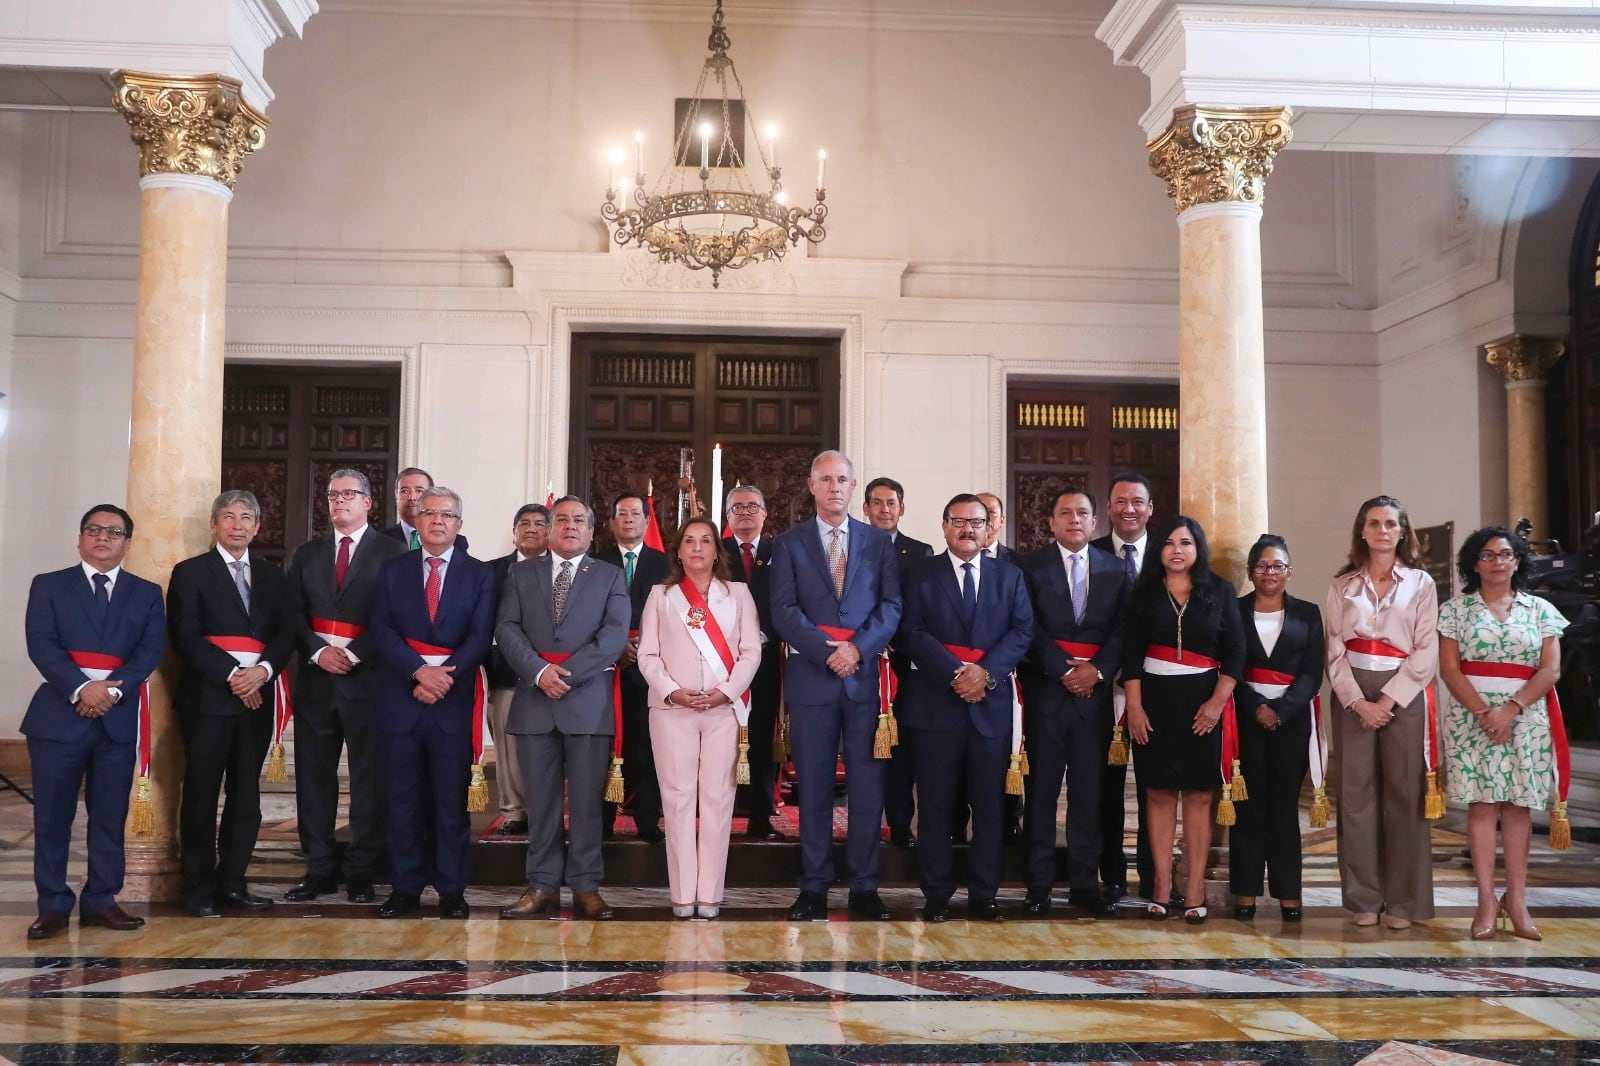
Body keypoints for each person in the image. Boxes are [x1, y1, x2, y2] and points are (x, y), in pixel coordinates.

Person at [770, 450, 903, 921]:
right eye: (825, 479)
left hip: (865, 681)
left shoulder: (879, 543)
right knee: (815, 791)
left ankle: (865, 888)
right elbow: (784, 611)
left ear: (852, 487)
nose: (834, 487)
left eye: (842, 480)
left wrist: (858, 650)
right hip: (813, 680)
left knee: (868, 790)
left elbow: (891, 607)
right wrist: (828, 651)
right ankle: (814, 887)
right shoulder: (788, 544)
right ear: (811, 486)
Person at [22, 505, 165, 940]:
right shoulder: (49, 586)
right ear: (80, 538)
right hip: (58, 719)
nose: (103, 538)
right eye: (94, 530)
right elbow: (41, 645)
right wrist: (82, 688)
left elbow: (149, 650)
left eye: (114, 532)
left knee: (108, 816)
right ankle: (52, 906)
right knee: (52, 817)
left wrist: (112, 691)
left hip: (116, 722)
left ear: (127, 543)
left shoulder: (146, 592)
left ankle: (101, 900)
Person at [900, 494, 1033, 922]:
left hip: (988, 707)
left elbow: (1021, 631)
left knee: (989, 807)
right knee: (936, 805)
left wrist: (985, 674)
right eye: (958, 521)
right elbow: (911, 631)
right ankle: (937, 893)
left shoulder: (1009, 576)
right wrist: (957, 674)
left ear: (989, 527)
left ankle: (984, 894)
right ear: (944, 527)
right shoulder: (920, 574)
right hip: (936, 704)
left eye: (976, 522)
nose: (968, 529)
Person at [496, 496, 630, 920]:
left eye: (579, 521)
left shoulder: (609, 576)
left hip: (587, 702)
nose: (570, 526)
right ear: (549, 530)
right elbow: (507, 627)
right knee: (542, 803)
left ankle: (587, 887)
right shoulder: (521, 573)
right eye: (562, 520)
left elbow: (613, 637)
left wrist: (564, 675)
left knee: (588, 804)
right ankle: (541, 886)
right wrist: (539, 673)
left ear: (592, 532)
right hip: (535, 701)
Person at [368, 487, 496, 919]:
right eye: (429, 513)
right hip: (401, 699)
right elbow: (381, 629)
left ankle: (451, 888)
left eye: (447, 515)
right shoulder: (392, 570)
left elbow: (479, 637)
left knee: (448, 800)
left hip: (452, 703)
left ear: (459, 525)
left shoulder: (479, 575)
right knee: (402, 799)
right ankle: (404, 887)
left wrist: (442, 679)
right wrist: (417, 672)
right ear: (416, 521)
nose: (437, 521)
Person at [167, 490, 295, 917]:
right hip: (208, 698)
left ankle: (234, 882)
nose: (238, 524)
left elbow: (285, 632)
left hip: (257, 699)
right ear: (214, 524)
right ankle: (199, 887)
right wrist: (233, 676)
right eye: (228, 516)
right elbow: (185, 635)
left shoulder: (273, 576)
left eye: (246, 517)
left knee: (246, 795)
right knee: (202, 793)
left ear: (258, 527)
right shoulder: (190, 572)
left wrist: (263, 671)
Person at [282, 469, 407, 904]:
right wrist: (318, 651)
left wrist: (353, 652)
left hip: (368, 681)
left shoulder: (393, 552)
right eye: (333, 495)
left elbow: (395, 617)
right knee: (313, 779)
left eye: (349, 494)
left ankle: (361, 870)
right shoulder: (307, 553)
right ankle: (318, 868)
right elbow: (292, 613)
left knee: (368, 781)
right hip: (317, 681)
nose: (340, 501)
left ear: (369, 502)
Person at [1436, 526, 1566, 941]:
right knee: (1481, 808)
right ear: (1474, 563)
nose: (1497, 562)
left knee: (1517, 808)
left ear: (1518, 560)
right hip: (1471, 716)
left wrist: (1510, 709)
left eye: (1505, 554)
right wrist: (1483, 712)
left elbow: (1551, 669)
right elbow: (1449, 669)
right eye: (1487, 555)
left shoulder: (1541, 610)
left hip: (1526, 716)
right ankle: (1487, 901)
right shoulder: (1455, 610)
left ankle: (1519, 900)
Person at [1121, 514, 1244, 924]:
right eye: (1170, 542)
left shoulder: (1220, 592)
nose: (1177, 550)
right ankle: (1159, 884)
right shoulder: (1143, 594)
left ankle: (1193, 887)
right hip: (1153, 702)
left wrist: (1215, 703)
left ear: (1198, 549)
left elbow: (1236, 653)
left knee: (1197, 796)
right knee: (1157, 793)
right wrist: (1134, 707)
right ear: (1159, 550)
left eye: (1186, 542)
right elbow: (1131, 654)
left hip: (1203, 704)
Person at [638, 516, 762, 918]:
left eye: (705, 541)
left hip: (723, 709)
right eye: (688, 541)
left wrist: (725, 691)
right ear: (677, 550)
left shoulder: (738, 594)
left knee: (717, 799)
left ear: (716, 550)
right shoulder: (661, 595)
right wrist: (673, 690)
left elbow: (750, 652)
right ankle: (681, 894)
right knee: (676, 801)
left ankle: (709, 894)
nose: (696, 548)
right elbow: (648, 655)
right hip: (673, 709)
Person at [1324, 494, 1439, 930]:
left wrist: (1387, 701)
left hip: (1401, 694)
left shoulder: (1421, 584)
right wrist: (1357, 701)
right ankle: (1364, 899)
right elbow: (1334, 648)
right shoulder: (1343, 584)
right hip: (1354, 691)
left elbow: (1426, 649)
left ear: (1402, 531)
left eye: (1390, 523)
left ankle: (1404, 902)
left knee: (1403, 796)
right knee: (1355, 798)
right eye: (1374, 523)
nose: (1382, 530)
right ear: (1362, 530)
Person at [1020, 488, 1130, 916]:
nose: (1074, 519)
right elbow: (1025, 625)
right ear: (1050, 522)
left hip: (1095, 699)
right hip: (1047, 693)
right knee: (1042, 793)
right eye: (1064, 513)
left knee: (1089, 795)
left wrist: (1097, 671)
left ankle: (1085, 883)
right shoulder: (1030, 568)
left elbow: (1123, 630)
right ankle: (1039, 884)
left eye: (1083, 512)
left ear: (1095, 520)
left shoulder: (1116, 569)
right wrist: (1063, 670)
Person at [1230, 534, 1324, 923]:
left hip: (1291, 722)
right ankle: (1246, 892)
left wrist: (1281, 710)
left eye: (1278, 566)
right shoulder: (1233, 612)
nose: (1270, 573)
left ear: (1290, 571)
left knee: (1284, 811)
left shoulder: (1308, 613)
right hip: (1245, 720)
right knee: (1247, 808)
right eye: (1262, 566)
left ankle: (1289, 894)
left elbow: (1312, 672)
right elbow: (1227, 669)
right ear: (1251, 571)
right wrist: (1256, 707)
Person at [1091, 472, 1157, 901]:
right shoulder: (1089, 554)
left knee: (1157, 787)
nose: (1128, 508)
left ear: (1150, 508)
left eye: (1137, 501)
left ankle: (1154, 876)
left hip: (1156, 692)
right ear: (1108, 507)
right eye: (1119, 501)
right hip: (1101, 690)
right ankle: (1111, 874)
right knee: (1105, 789)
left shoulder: (1169, 556)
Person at [596, 491, 671, 843]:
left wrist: (643, 648)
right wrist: (615, 649)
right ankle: (602, 822)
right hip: (602, 669)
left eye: (635, 514)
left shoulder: (666, 563)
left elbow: (674, 616)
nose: (628, 520)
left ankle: (647, 820)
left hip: (650, 668)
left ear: (646, 521)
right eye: (621, 514)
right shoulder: (594, 562)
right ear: (611, 523)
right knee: (604, 749)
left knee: (647, 746)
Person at [864, 475, 932, 849]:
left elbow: (921, 610)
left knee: (901, 748)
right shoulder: (854, 546)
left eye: (891, 503)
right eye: (877, 502)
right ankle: (865, 824)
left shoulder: (920, 553)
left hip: (904, 665)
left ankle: (902, 825)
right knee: (864, 747)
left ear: (901, 509)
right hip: (862, 661)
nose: (884, 509)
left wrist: (896, 645)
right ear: (866, 508)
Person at [485, 503, 551, 834]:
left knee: (544, 747)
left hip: (547, 672)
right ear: (513, 534)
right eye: (523, 523)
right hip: (504, 672)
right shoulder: (491, 571)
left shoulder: (559, 570)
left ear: (549, 533)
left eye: (539, 523)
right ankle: (513, 811)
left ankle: (543, 809)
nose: (530, 528)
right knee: (507, 745)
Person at [722, 485, 783, 840]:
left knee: (761, 737)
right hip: (721, 661)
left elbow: (791, 599)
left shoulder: (781, 551)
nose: (745, 513)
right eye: (737, 507)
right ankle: (717, 815)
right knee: (720, 737)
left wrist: (762, 636)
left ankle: (761, 815)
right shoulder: (717, 552)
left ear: (765, 513)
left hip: (768, 658)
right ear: (727, 516)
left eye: (752, 506)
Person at [381, 466, 469, 551]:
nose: (412, 497)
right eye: (404, 491)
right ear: (396, 498)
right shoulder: (381, 541)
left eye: (419, 491)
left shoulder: (456, 542)